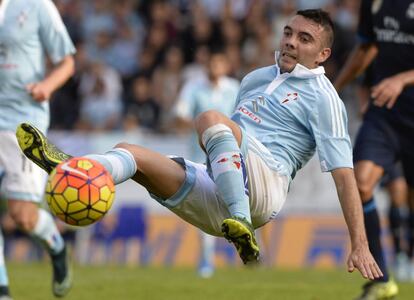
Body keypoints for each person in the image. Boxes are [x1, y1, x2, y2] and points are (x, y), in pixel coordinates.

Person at [16, 9, 381, 282]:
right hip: (222, 188)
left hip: (267, 184)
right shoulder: (255, 79)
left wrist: (360, 243)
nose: (290, 41)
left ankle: (241, 223)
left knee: (210, 117)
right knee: (133, 153)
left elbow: (344, 176)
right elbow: (230, 141)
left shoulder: (324, 98)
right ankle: (79, 167)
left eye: (304, 39)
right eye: (288, 32)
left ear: (323, 55)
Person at [334, 0, 414, 297]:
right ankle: (382, 279)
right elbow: (366, 48)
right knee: (362, 182)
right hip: (385, 112)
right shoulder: (374, 3)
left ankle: (408, 257)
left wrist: (403, 79)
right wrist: (333, 87)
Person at [0, 0, 76, 298]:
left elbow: (67, 61)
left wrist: (46, 86)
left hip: (23, 121)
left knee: (23, 216)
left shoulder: (36, 5)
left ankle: (57, 250)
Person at [174, 51, 240, 277]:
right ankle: (207, 260)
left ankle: (252, 254)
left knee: (242, 203)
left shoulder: (234, 88)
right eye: (212, 62)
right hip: (200, 157)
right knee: (207, 207)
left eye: (219, 61)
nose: (215, 66)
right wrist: (187, 121)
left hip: (232, 156)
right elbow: (180, 113)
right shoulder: (193, 87)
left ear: (226, 65)